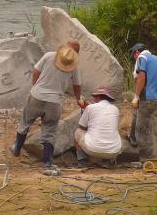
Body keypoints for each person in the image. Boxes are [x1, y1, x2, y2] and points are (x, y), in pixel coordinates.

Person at [11, 39, 83, 174]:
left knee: (25, 122)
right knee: (49, 131)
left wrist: (35, 87)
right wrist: (79, 99)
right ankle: (47, 164)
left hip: (37, 96)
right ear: (76, 55)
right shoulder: (74, 67)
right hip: (54, 102)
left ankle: (17, 149)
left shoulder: (49, 55)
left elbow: (35, 72)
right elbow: (77, 86)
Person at [126, 43, 157, 160]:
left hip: (147, 98)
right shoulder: (156, 59)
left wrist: (136, 96)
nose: (134, 58)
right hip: (156, 98)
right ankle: (131, 137)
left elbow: (141, 76)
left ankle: (146, 160)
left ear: (137, 52)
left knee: (142, 130)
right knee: (139, 116)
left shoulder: (142, 58)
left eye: (134, 56)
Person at [74, 86, 122, 168]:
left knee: (78, 132)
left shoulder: (90, 107)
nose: (94, 99)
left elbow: (81, 126)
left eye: (95, 97)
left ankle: (82, 162)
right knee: (112, 132)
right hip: (114, 151)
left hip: (92, 148)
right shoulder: (115, 109)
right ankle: (108, 161)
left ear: (99, 97)